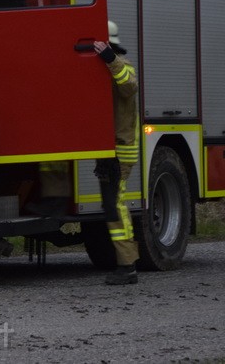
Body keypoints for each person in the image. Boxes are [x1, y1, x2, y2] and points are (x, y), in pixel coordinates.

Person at [94, 21, 140, 285]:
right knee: (111, 205)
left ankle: (127, 266)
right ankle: (126, 263)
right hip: (108, 149)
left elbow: (129, 85)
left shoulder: (121, 65)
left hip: (120, 151)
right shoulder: (103, 68)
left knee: (115, 205)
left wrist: (110, 59)